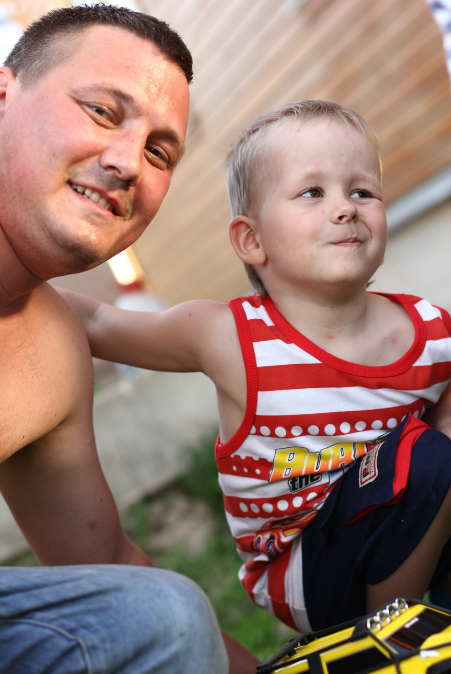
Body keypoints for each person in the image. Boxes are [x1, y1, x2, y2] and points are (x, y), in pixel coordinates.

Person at [61, 99, 451, 635]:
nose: (346, 208)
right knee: (429, 458)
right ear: (253, 240)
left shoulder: (432, 331)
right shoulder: (230, 338)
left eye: (363, 191)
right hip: (304, 568)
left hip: (408, 527)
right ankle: (383, 642)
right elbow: (97, 322)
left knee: (435, 453)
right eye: (312, 192)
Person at [0, 4, 239, 674]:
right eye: (103, 111)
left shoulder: (51, 348)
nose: (129, 162)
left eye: (159, 151)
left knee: (159, 616)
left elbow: (109, 571)